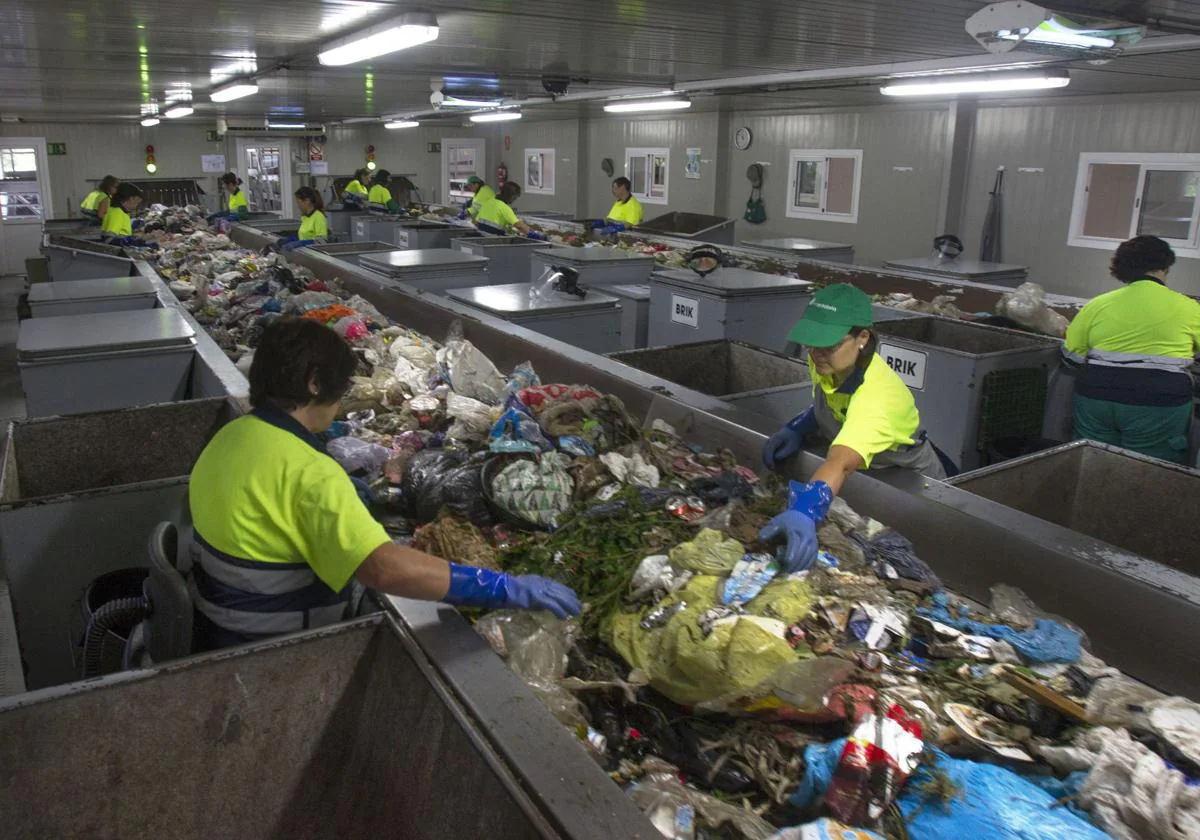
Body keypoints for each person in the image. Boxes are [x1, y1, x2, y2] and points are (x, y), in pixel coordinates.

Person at [187, 318, 581, 650]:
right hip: (280, 647)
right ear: (314, 383)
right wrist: (500, 586)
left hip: (215, 626)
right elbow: (383, 569)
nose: (342, 401)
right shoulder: (309, 472)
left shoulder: (231, 436)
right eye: (342, 389)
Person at [760, 284, 950, 572]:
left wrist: (804, 511)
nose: (816, 354)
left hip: (910, 488)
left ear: (862, 338)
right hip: (865, 470)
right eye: (811, 343)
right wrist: (798, 427)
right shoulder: (827, 362)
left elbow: (842, 462)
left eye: (829, 345)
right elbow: (831, 400)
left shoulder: (879, 397)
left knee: (902, 558)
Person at [1064, 235, 1200, 464]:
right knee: (1148, 470)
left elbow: (1070, 358)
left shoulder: (1097, 304)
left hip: (1097, 397)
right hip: (1158, 402)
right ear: (1165, 268)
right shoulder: (1189, 307)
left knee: (1090, 464)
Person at [282, 186, 329, 252]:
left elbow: (322, 242)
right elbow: (305, 236)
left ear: (307, 201)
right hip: (306, 253)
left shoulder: (318, 217)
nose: (298, 206)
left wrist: (303, 243)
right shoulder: (305, 217)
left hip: (315, 255)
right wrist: (293, 239)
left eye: (299, 203)